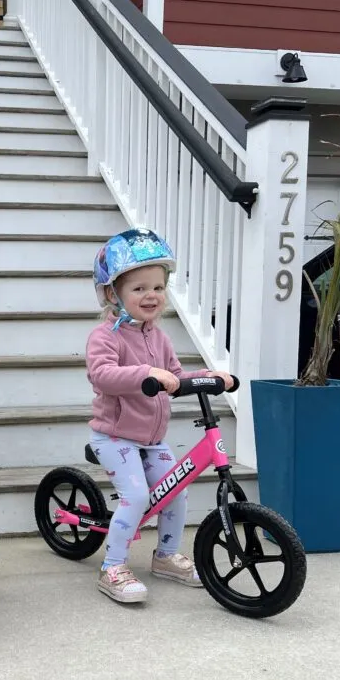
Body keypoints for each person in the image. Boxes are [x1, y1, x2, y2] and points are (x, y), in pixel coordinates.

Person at [86, 227, 233, 605]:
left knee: (176, 493)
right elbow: (102, 376)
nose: (151, 295)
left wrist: (210, 377)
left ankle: (165, 556)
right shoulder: (105, 336)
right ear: (111, 293)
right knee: (135, 496)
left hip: (152, 439)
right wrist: (145, 375)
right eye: (138, 288)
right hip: (115, 436)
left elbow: (176, 377)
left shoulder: (160, 337)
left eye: (157, 287)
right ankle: (112, 567)